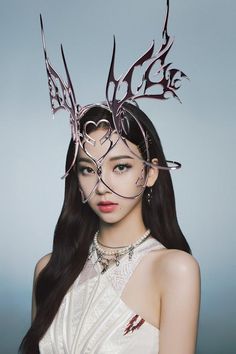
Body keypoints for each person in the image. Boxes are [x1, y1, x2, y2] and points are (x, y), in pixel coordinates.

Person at [19, 1, 200, 353]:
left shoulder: (174, 270)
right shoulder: (49, 269)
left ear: (150, 173)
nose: (102, 184)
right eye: (88, 169)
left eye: (120, 166)